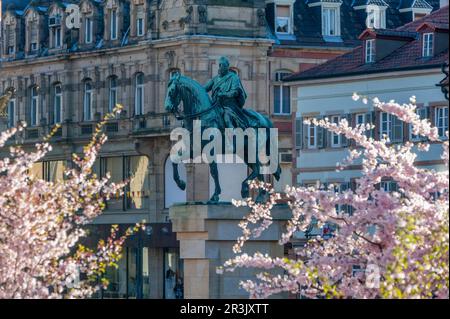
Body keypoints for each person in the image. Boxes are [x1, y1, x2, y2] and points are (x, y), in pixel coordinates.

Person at [204, 57, 257, 129]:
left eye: (222, 65)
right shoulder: (215, 79)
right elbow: (204, 89)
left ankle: (231, 138)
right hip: (215, 105)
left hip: (229, 106)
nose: (220, 67)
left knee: (227, 119)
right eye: (219, 65)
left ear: (226, 67)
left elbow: (235, 92)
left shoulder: (234, 77)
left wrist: (222, 94)